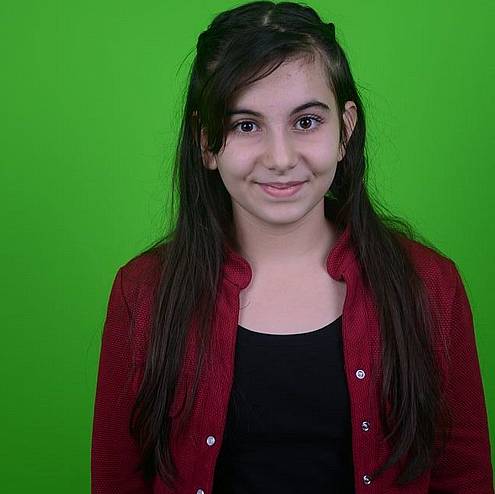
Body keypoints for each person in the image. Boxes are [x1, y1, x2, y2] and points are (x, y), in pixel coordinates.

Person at [91, 1, 494, 493]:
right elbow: (116, 478)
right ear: (206, 142)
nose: (280, 158)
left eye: (306, 122)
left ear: (345, 129)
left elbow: (465, 477)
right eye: (246, 125)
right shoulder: (142, 292)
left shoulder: (430, 286)